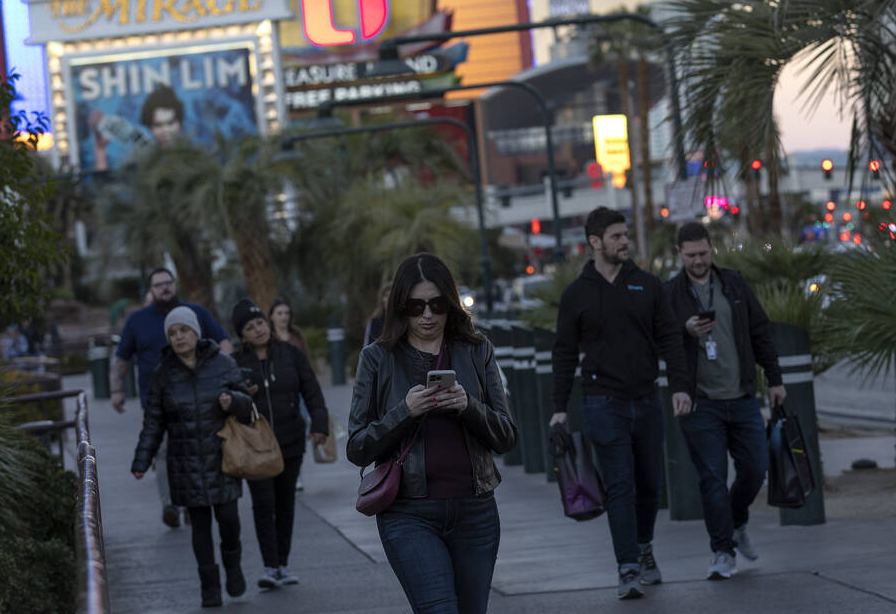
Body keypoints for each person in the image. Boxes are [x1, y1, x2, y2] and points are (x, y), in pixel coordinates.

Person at [348, 253, 517, 614]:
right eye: (416, 306)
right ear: (401, 307)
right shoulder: (377, 358)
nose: (427, 315)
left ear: (450, 304)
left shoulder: (476, 350)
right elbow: (357, 447)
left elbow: (506, 437)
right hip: (408, 513)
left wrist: (468, 406)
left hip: (476, 511)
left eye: (437, 304)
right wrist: (404, 413)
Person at [550, 206, 692, 600]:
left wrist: (680, 386)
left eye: (625, 235)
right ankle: (627, 568)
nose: (624, 241)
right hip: (602, 402)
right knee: (620, 484)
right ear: (594, 242)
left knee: (650, 485)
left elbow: (670, 339)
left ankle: (644, 547)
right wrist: (559, 406)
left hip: (647, 399)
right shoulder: (576, 295)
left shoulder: (647, 285)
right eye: (615, 236)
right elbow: (563, 353)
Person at [663, 221, 785, 581]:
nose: (698, 260)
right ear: (679, 254)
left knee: (755, 470)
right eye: (691, 255)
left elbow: (760, 331)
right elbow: (661, 341)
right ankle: (722, 551)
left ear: (711, 249)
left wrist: (775, 379)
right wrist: (684, 331)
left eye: (703, 253)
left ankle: (737, 522)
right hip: (701, 403)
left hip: (742, 396)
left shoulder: (733, 283)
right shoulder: (670, 293)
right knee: (712, 479)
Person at [130, 307, 254, 608]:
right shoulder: (163, 374)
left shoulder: (223, 364)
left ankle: (234, 568)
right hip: (185, 462)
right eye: (172, 333)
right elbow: (153, 421)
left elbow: (248, 405)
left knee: (228, 520)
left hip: (222, 457)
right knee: (199, 527)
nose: (179, 337)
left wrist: (232, 401)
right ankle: (209, 587)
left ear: (196, 332)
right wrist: (141, 460)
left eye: (183, 330)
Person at [113, 268, 233, 528]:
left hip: (201, 399)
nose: (165, 288)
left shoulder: (196, 314)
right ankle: (170, 503)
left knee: (195, 451)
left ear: (175, 284)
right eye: (159, 285)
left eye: (168, 283)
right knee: (166, 452)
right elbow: (122, 357)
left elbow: (223, 341)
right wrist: (116, 390)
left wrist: (230, 376)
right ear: (151, 290)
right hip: (157, 400)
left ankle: (193, 503)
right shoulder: (137, 321)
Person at [231, 299, 329, 590]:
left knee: (285, 504)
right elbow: (225, 404)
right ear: (242, 335)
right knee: (263, 504)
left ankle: (282, 564)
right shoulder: (236, 364)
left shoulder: (291, 354)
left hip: (290, 440)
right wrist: (241, 394)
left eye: (260, 322)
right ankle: (269, 566)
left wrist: (319, 425)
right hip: (254, 444)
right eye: (250, 327)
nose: (258, 329)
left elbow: (312, 391)